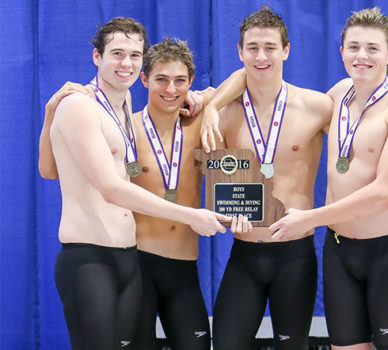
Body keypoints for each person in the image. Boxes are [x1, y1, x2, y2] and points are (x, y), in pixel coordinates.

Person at [38, 18, 229, 350]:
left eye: (134, 55)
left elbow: (50, 170)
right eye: (117, 54)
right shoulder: (79, 105)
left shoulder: (123, 108)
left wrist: (208, 106)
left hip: (127, 258)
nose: (125, 63)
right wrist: (190, 215)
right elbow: (111, 188)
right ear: (96, 56)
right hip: (90, 257)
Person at [269, 8, 388, 350]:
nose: (362, 56)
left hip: (385, 251)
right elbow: (283, 100)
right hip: (340, 252)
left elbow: (384, 194)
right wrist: (205, 98)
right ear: (341, 52)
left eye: (372, 48)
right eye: (354, 47)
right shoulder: (339, 94)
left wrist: (309, 219)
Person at [203, 6, 333, 350]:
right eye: (253, 48)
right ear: (240, 52)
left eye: (270, 47)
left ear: (286, 50)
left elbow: (361, 119)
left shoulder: (318, 107)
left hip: (295, 256)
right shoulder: (223, 113)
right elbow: (223, 184)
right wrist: (230, 217)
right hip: (244, 254)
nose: (261, 56)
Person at [130, 38, 250, 350]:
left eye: (179, 81)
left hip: (183, 269)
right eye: (161, 79)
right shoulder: (126, 129)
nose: (171, 89)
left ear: (190, 82)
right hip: (135, 265)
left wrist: (211, 105)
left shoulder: (199, 125)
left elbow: (245, 75)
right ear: (144, 79)